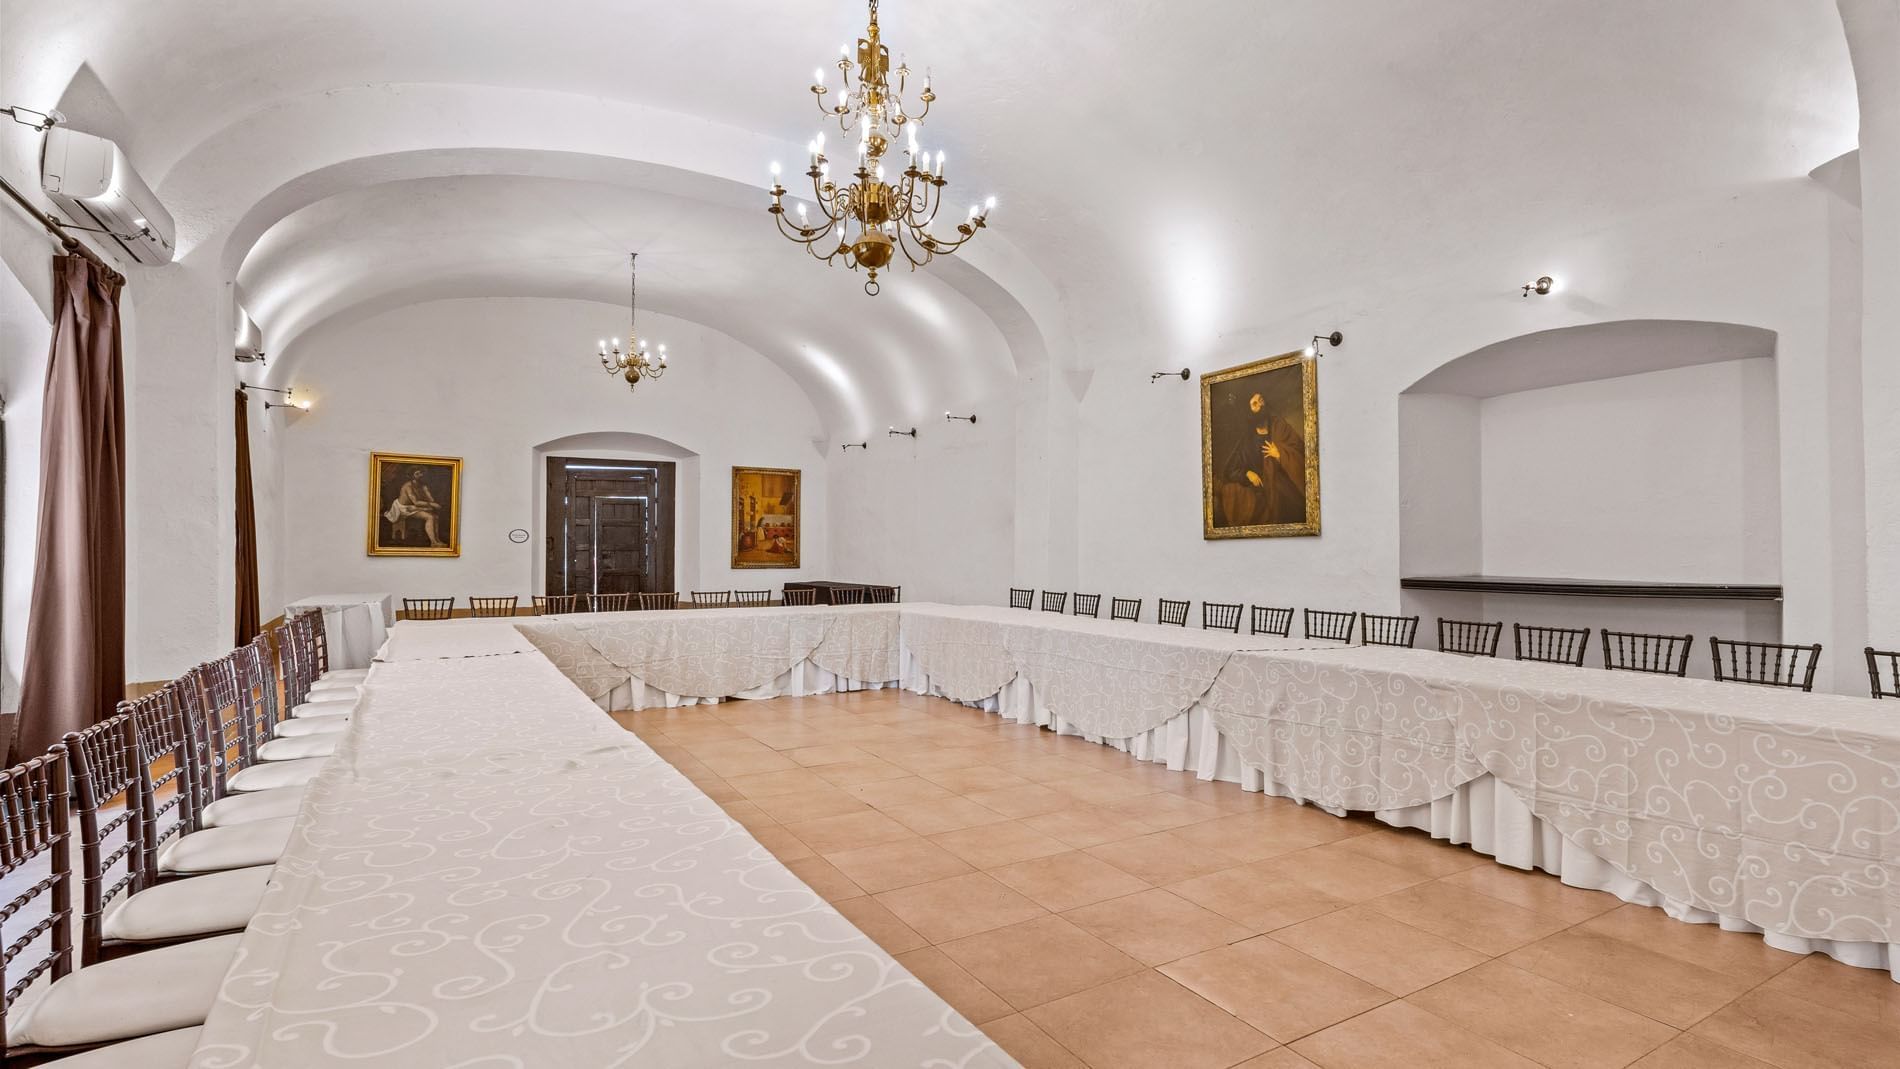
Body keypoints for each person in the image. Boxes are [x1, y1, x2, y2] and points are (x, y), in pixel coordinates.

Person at [1215, 389, 1306, 527]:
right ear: (1249, 411)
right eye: (1254, 403)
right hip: (1260, 489)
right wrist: (1247, 474)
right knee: (1232, 491)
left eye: (1261, 400)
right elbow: (1230, 469)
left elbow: (1301, 450)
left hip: (1283, 486)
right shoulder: (1247, 439)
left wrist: (1280, 454)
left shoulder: (1279, 426)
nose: (1260, 405)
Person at [384, 468, 448, 548]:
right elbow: (416, 502)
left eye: (421, 473)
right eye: (417, 474)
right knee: (430, 517)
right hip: (403, 508)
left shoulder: (422, 486)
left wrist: (427, 493)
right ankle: (433, 542)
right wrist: (432, 504)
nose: (421, 475)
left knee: (435, 517)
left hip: (414, 507)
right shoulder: (408, 486)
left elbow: (431, 500)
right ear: (412, 476)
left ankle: (437, 540)